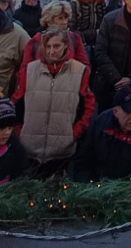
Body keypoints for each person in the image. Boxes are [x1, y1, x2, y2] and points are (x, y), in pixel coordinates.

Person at [12, 28, 94, 174]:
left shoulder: (79, 71)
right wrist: (20, 132)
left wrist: (73, 134)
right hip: (30, 148)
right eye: (48, 46)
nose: (51, 51)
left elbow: (87, 106)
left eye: (56, 46)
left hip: (62, 150)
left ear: (65, 46)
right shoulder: (29, 70)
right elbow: (17, 103)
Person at [71, 86, 131, 180]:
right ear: (116, 112)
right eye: (128, 112)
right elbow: (84, 157)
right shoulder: (101, 123)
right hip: (100, 184)